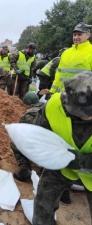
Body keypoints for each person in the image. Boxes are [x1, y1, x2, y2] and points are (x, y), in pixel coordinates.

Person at [32, 71, 92, 224]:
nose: (80, 117)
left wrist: (80, 161)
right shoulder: (54, 105)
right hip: (60, 166)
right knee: (42, 207)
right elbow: (39, 135)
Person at [49, 22, 92, 94]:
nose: (76, 37)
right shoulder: (66, 52)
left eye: (79, 34)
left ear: (88, 35)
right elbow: (58, 74)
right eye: (74, 35)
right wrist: (52, 91)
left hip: (81, 97)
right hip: (62, 95)